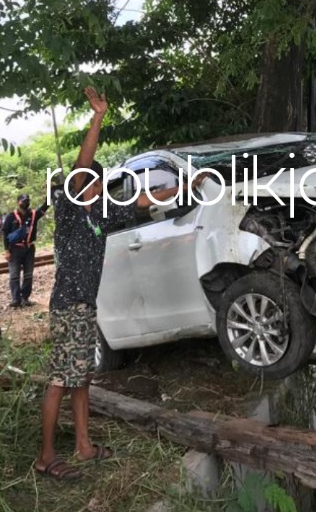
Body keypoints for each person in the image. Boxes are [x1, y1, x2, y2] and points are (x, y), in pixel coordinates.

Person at [33, 87, 206, 481]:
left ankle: (82, 445)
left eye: (97, 185)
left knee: (81, 379)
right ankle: (45, 457)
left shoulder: (100, 217)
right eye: (91, 184)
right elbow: (84, 161)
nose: (95, 189)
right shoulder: (71, 210)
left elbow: (145, 200)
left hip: (84, 305)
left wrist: (186, 187)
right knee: (61, 379)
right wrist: (98, 118)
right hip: (69, 304)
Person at [2, 194, 50, 308]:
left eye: (27, 200)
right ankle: (15, 299)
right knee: (14, 275)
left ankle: (25, 298)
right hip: (14, 249)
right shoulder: (11, 217)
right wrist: (6, 250)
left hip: (29, 248)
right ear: (18, 202)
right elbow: (5, 234)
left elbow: (45, 206)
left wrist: (50, 193)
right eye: (24, 201)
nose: (26, 203)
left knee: (28, 275)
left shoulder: (33, 215)